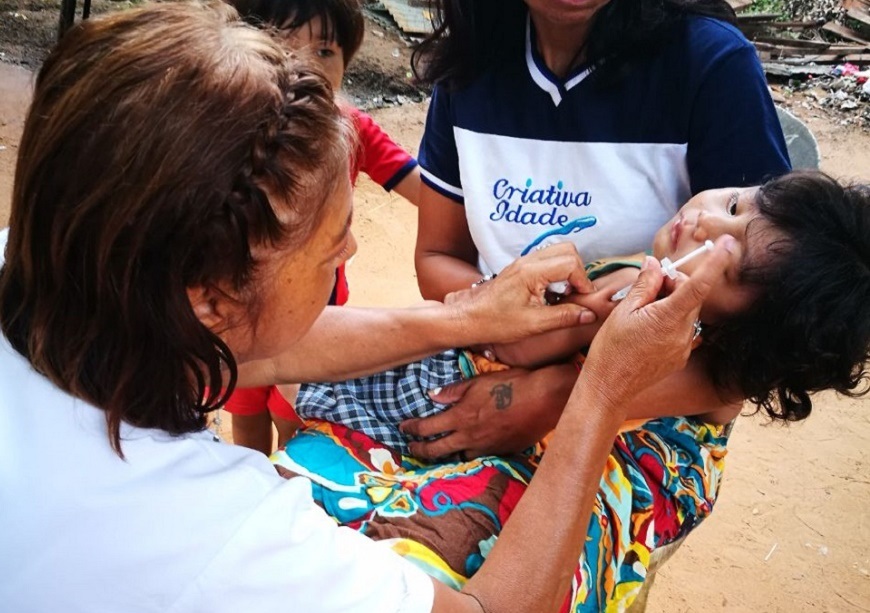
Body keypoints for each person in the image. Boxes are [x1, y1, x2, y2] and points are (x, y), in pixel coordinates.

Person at [0, 3, 735, 612]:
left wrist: (469, 319)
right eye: (330, 249)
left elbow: (276, 346)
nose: (354, 256)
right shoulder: (220, 544)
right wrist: (595, 394)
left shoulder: (40, 266)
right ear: (214, 296)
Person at [407, 0, 794, 458]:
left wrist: (561, 395)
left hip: (648, 411)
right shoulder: (470, 63)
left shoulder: (710, 64)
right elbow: (436, 259)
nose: (708, 222)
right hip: (485, 364)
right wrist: (521, 315)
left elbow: (771, 330)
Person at [292, 171, 870, 455]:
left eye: (735, 263)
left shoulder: (707, 370)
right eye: (735, 204)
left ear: (758, 328)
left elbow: (551, 374)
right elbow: (524, 348)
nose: (707, 223)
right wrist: (568, 307)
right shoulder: (632, 281)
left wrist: (583, 325)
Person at [223, 0, 424, 454]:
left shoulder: (352, 129)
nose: (302, 65)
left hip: (314, 318)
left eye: (324, 51)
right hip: (242, 314)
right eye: (282, 45)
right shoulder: (230, 135)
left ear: (346, 62)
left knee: (296, 417)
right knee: (246, 420)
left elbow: (430, 195)